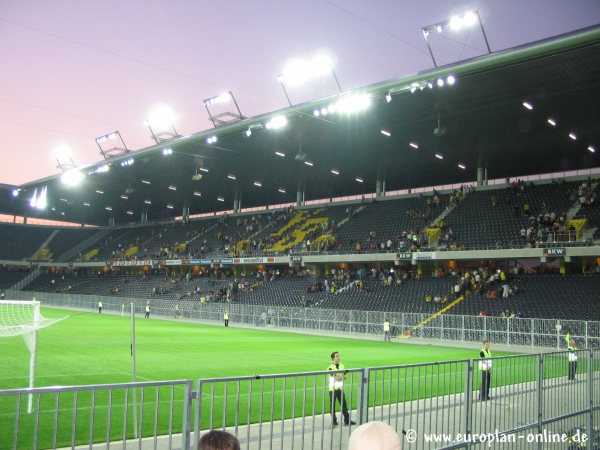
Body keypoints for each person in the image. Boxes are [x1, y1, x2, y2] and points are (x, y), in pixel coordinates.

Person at [327, 351, 356, 426]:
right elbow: (335, 378)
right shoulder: (330, 367)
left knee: (344, 404)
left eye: (339, 356)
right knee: (332, 405)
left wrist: (339, 377)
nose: (338, 357)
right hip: (333, 389)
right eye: (337, 356)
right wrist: (341, 377)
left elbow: (345, 377)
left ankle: (347, 420)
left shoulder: (342, 366)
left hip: (340, 389)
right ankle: (334, 420)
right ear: (333, 358)